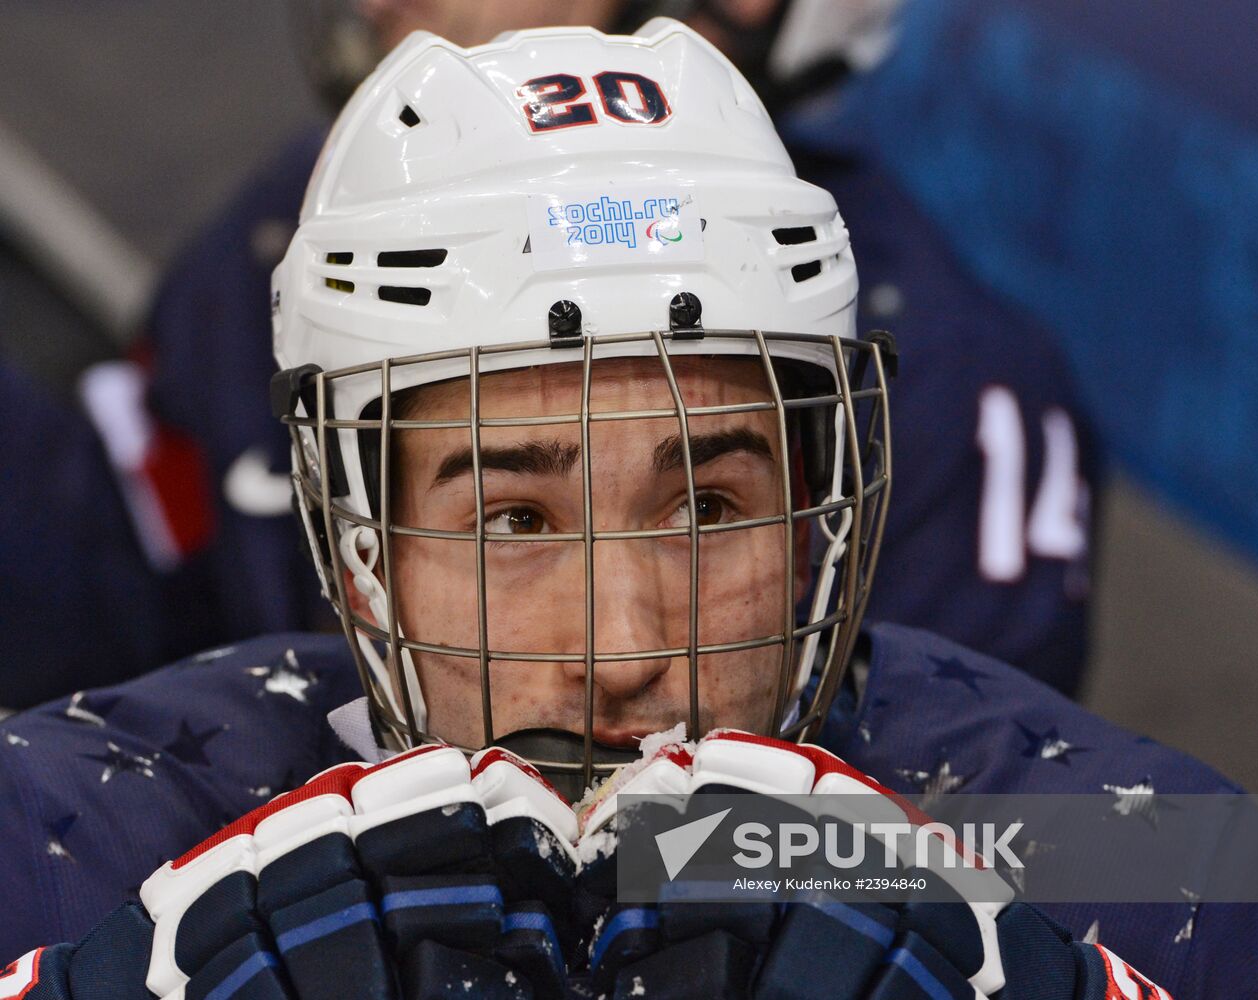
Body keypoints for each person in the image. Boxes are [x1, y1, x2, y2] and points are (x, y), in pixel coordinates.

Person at [0, 21, 1257, 999]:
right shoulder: (90, 831)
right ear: (360, 544)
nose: (625, 649)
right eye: (515, 521)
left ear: (820, 507)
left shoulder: (1115, 851)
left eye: (706, 504)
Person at [128, 0, 1095, 702]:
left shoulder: (958, 389)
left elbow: (990, 845)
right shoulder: (303, 230)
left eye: (710, 510)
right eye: (511, 523)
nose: (377, 3)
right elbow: (112, 619)